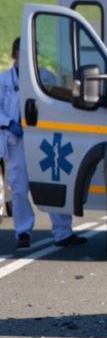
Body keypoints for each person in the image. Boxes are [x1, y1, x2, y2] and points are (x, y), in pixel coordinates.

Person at [1, 37, 83, 249]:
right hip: (16, 138)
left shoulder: (45, 76)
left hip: (43, 138)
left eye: (33, 50)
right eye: (24, 50)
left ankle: (63, 232)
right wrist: (9, 123)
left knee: (54, 181)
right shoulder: (4, 80)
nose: (29, 55)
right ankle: (22, 231)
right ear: (15, 52)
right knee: (19, 187)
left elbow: (59, 101)